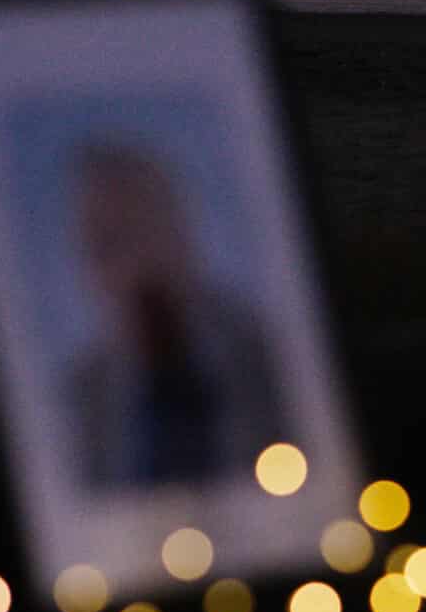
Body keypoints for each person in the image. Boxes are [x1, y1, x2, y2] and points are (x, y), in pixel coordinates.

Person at [62, 140, 284, 490]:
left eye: (141, 232)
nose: (131, 266)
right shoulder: (82, 398)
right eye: (105, 246)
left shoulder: (275, 359)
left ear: (181, 231)